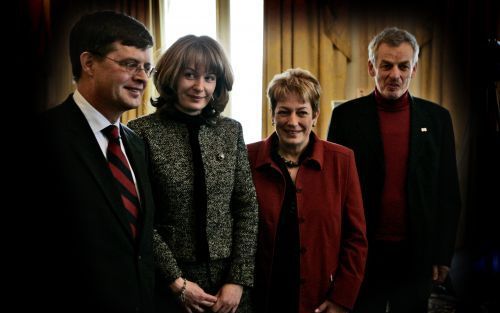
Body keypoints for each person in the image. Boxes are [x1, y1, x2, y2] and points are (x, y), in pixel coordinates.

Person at [327, 27, 462, 313]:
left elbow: (448, 192)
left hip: (417, 252)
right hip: (361, 252)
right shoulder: (345, 117)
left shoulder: (437, 119)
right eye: (386, 65)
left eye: (403, 66)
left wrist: (443, 255)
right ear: (371, 66)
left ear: (415, 68)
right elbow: (332, 189)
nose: (395, 75)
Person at [127, 35, 259, 313]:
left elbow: (246, 207)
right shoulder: (141, 133)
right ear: (172, 77)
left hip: (229, 287)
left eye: (210, 78)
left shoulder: (230, 131)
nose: (200, 87)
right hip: (169, 284)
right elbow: (140, 215)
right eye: (190, 75)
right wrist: (176, 282)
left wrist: (238, 279)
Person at [37, 11, 156, 313]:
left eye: (146, 68)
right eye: (130, 64)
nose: (142, 77)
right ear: (88, 63)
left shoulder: (136, 145)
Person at [247, 68, 368, 313]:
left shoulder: (342, 161)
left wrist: (342, 299)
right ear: (272, 115)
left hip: (321, 299)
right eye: (284, 112)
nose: (293, 122)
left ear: (315, 116)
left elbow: (356, 239)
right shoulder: (247, 157)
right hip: (261, 298)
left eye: (302, 112)